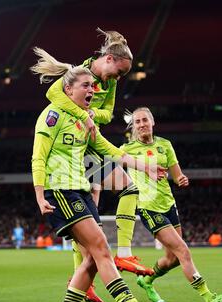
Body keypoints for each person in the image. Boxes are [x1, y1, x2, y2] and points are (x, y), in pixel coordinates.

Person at [30, 54, 166, 302]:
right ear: (69, 90)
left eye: (93, 86)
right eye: (85, 86)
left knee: (91, 260)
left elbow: (110, 150)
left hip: (80, 190)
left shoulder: (84, 123)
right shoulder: (52, 116)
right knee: (102, 248)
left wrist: (146, 167)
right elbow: (38, 158)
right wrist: (40, 195)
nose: (92, 90)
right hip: (61, 191)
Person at [45, 28, 154, 283]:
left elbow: (108, 113)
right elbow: (52, 95)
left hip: (92, 146)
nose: (118, 77)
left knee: (126, 191)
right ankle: (83, 278)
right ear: (109, 59)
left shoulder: (110, 82)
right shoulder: (80, 74)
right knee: (86, 214)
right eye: (119, 72)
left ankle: (123, 254)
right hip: (71, 150)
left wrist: (94, 115)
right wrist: (83, 115)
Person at [121, 107, 222, 302]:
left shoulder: (165, 145)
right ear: (133, 127)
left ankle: (146, 280)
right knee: (183, 251)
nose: (142, 124)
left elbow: (177, 175)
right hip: (148, 208)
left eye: (145, 120)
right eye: (137, 122)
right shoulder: (127, 150)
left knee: (172, 259)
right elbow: (110, 161)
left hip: (169, 205)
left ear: (152, 122)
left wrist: (181, 179)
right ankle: (209, 297)